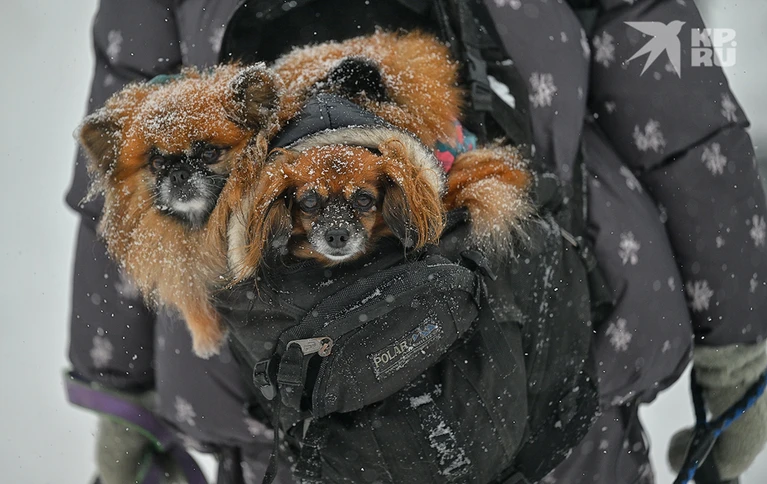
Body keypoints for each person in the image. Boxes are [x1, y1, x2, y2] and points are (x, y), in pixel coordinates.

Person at [65, 0, 767, 482]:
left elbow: (127, 170)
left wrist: (120, 390)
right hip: (553, 338)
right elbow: (680, 118)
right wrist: (737, 343)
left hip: (275, 387)